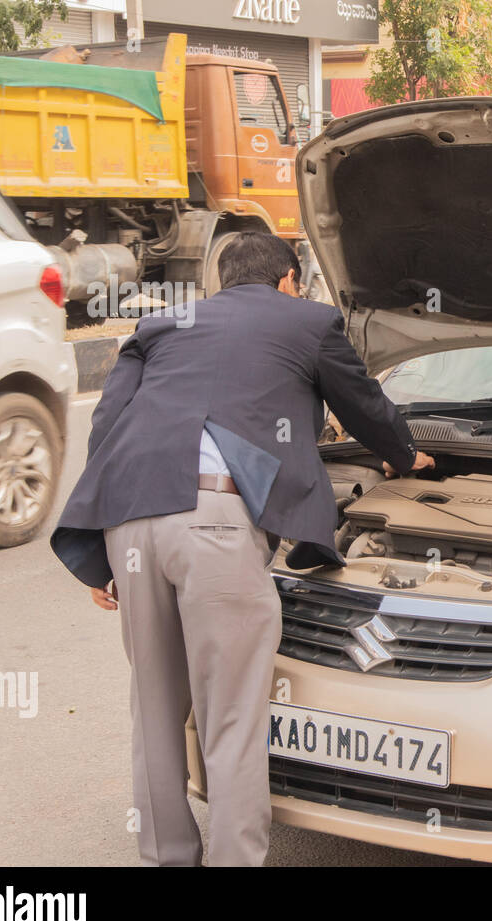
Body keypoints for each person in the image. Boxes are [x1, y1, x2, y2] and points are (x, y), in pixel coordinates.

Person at [51, 232, 434, 866]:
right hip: (216, 523)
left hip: (133, 520)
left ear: (221, 283)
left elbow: (109, 425)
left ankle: (167, 856)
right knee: (229, 716)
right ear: (288, 279)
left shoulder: (163, 325)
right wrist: (404, 454)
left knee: (154, 706)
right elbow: (362, 403)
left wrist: (102, 551)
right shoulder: (309, 320)